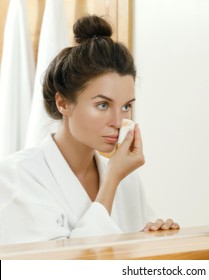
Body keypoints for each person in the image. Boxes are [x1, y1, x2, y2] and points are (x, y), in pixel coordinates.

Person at [0, 15, 178, 245]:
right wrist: (112, 179)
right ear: (63, 103)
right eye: (103, 105)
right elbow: (63, 267)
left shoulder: (128, 182)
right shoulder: (16, 176)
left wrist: (154, 239)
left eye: (126, 106)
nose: (118, 121)